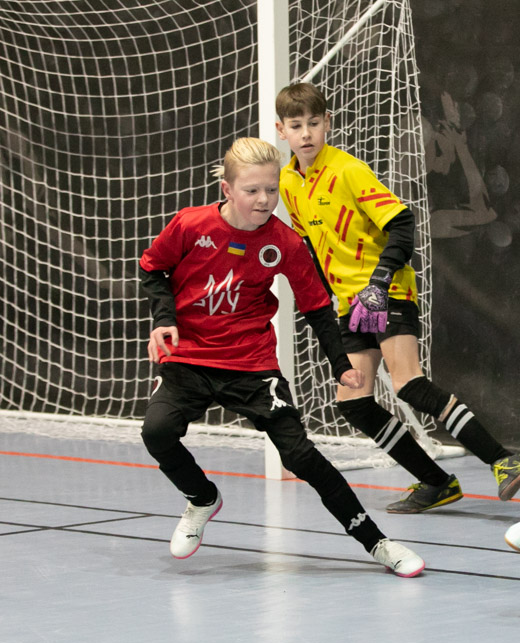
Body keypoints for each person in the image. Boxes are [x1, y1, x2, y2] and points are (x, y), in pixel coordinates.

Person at [139, 137, 424, 578]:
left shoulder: (284, 242)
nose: (263, 199)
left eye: (271, 190)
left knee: (301, 457)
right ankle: (202, 499)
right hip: (189, 357)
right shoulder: (191, 225)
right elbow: (153, 268)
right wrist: (164, 318)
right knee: (157, 432)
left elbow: (317, 308)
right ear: (227, 189)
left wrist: (341, 365)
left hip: (251, 364)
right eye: (251, 190)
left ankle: (379, 543)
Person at [275, 83, 520, 513]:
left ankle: (503, 459)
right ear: (281, 131)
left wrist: (378, 282)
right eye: (296, 126)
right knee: (354, 401)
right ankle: (436, 482)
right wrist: (327, 296)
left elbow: (401, 222)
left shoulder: (348, 170)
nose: (306, 134)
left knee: (408, 383)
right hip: (351, 303)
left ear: (327, 124)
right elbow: (311, 246)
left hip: (386, 290)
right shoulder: (288, 183)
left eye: (314, 123)